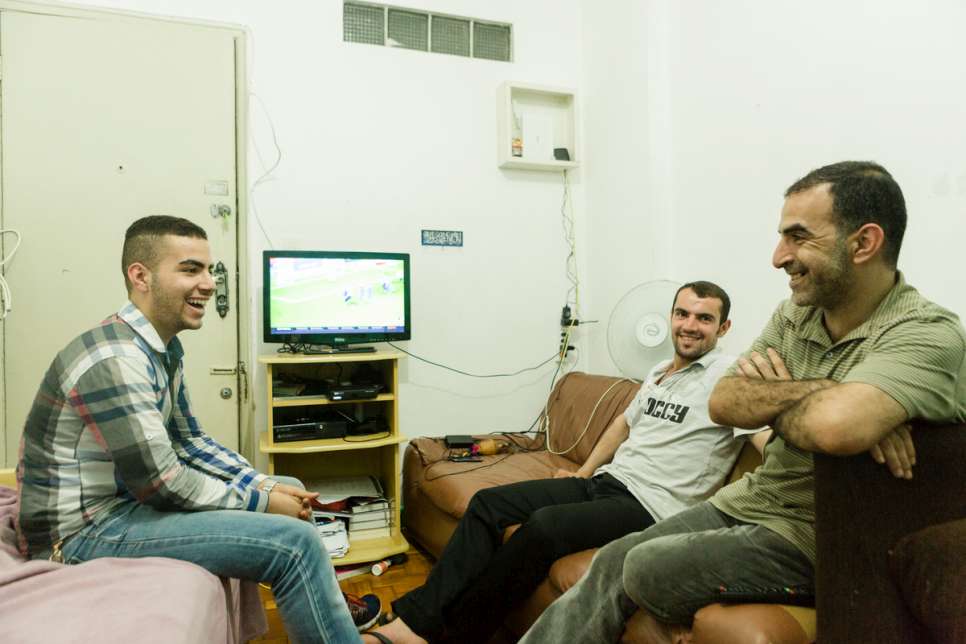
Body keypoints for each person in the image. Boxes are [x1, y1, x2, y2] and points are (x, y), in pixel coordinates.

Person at [518, 161, 966, 644]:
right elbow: (725, 401)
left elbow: (836, 429)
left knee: (645, 566)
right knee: (611, 559)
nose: (778, 257)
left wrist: (791, 401)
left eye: (798, 237)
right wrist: (834, 393)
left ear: (863, 243)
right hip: (752, 500)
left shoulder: (926, 332)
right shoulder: (795, 313)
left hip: (819, 535)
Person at [17, 216, 381, 643]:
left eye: (209, 270)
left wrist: (263, 484)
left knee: (288, 483)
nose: (208, 284)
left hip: (122, 503)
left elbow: (188, 440)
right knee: (294, 543)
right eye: (190, 270)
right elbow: (162, 483)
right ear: (141, 276)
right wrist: (261, 503)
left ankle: (326, 608)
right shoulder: (117, 360)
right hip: (81, 533)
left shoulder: (161, 348)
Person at [371, 281, 767, 644]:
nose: (690, 325)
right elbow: (621, 426)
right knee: (488, 505)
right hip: (607, 483)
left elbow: (764, 437)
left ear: (725, 327)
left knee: (542, 528)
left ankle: (456, 635)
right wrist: (582, 472)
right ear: (671, 317)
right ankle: (414, 623)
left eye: (704, 318)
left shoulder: (729, 377)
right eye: (682, 314)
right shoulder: (659, 371)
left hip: (651, 507)